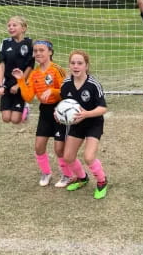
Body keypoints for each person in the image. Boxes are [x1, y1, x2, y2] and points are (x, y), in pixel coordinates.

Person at [13, 40, 74, 188]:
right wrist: (21, 80)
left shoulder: (57, 70)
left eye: (42, 50)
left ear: (50, 52)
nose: (38, 53)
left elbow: (67, 92)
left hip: (60, 111)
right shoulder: (34, 74)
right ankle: (46, 172)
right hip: (45, 112)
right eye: (35, 51)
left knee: (59, 149)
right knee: (39, 146)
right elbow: (28, 97)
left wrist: (53, 91)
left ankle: (67, 175)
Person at [59, 50, 108, 199]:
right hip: (77, 124)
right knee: (68, 157)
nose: (76, 66)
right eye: (73, 63)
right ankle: (82, 178)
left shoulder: (93, 84)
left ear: (86, 66)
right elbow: (63, 105)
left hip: (93, 123)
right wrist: (59, 115)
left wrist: (86, 114)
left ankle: (102, 181)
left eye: (80, 63)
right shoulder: (66, 84)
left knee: (88, 157)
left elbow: (103, 108)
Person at [0, 15, 35, 124]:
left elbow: (30, 67)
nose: (10, 27)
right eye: (9, 25)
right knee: (6, 118)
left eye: (14, 25)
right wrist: (0, 85)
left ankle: (25, 108)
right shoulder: (4, 43)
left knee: (15, 120)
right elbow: (1, 65)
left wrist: (19, 85)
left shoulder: (30, 44)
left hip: (21, 83)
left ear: (23, 28)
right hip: (7, 83)